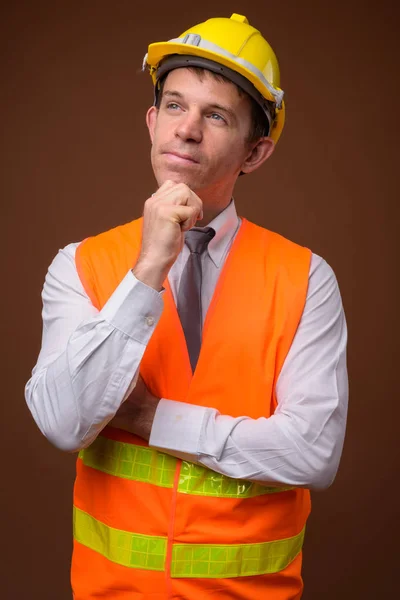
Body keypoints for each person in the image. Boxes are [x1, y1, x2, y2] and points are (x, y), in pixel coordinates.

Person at [25, 13, 348, 600]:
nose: (188, 130)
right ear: (152, 122)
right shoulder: (81, 265)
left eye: (215, 115)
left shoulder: (306, 279)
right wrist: (149, 266)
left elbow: (313, 454)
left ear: (256, 152)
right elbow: (63, 423)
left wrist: (151, 418)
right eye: (174, 106)